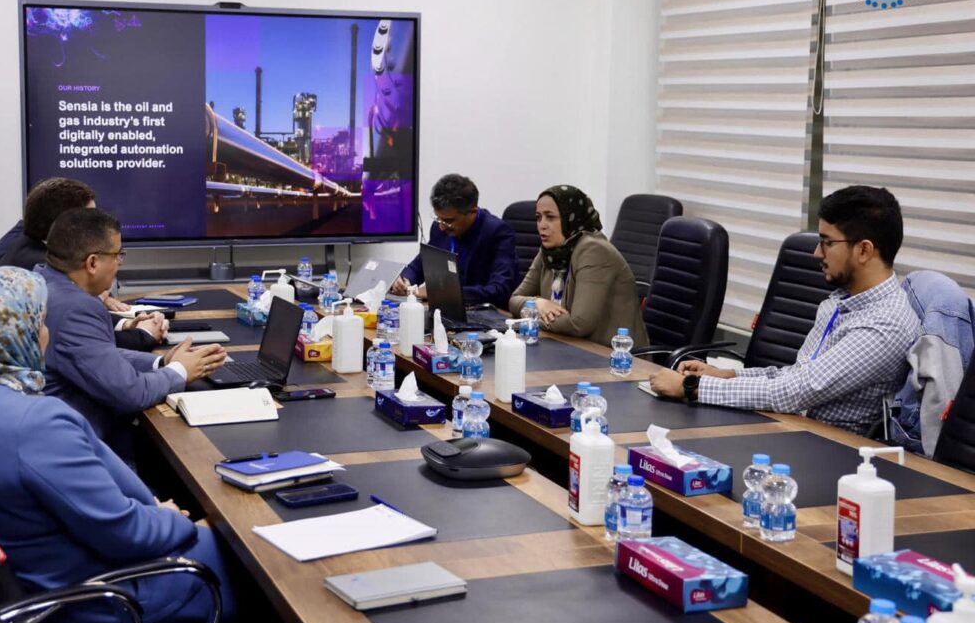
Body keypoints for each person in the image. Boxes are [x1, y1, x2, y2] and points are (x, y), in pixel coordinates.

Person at [0, 267, 237, 623]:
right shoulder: (34, 425)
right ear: (17, 333)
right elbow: (128, 534)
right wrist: (175, 519)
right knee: (256, 557)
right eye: (40, 324)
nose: (47, 335)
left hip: (47, 586)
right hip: (106, 605)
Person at [649, 186, 921, 436]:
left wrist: (691, 388)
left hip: (829, 448)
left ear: (864, 250)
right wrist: (728, 375)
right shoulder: (843, 303)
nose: (817, 253)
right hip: (793, 427)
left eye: (827, 242)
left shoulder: (884, 324)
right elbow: (797, 375)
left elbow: (795, 391)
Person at [39, 208, 227, 459]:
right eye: (118, 255)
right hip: (84, 448)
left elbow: (98, 355)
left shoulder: (42, 281)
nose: (120, 263)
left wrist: (162, 362)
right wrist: (179, 371)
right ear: (93, 263)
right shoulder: (76, 308)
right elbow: (131, 394)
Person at [0, 177, 165, 352]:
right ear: (65, 226)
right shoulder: (42, 270)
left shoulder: (22, 240)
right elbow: (82, 341)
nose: (100, 227)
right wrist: (144, 335)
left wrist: (124, 324)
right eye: (91, 221)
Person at [507, 185, 647, 346]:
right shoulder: (550, 251)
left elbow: (579, 324)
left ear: (571, 218)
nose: (542, 225)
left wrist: (530, 316)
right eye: (538, 218)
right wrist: (538, 303)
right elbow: (514, 300)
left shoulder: (594, 250)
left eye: (550, 217)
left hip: (614, 354)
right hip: (568, 345)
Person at [391, 174, 518, 307]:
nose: (442, 226)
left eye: (449, 221)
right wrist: (405, 280)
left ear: (473, 212)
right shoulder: (439, 229)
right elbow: (418, 266)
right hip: (447, 310)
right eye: (438, 218)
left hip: (485, 312)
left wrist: (442, 293)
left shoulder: (498, 232)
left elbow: (499, 290)